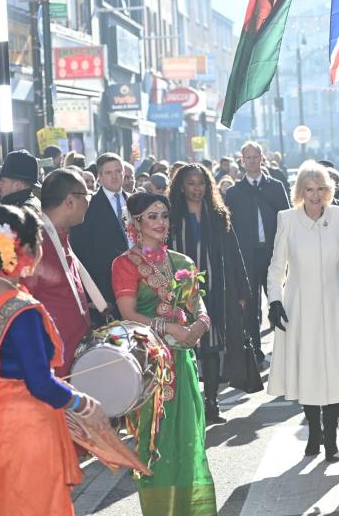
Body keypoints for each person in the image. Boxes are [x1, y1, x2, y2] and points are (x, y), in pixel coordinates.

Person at [0, 205, 109, 515]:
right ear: (26, 249)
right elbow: (40, 383)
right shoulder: (21, 308)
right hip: (24, 425)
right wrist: (84, 403)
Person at [112, 193, 217, 515]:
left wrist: (200, 322)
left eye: (164, 215)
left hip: (182, 362)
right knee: (154, 441)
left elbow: (196, 303)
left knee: (189, 436)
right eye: (152, 216)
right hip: (149, 367)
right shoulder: (125, 264)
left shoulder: (182, 262)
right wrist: (170, 329)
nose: (161, 223)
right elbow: (128, 313)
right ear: (136, 223)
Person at [266, 161, 339, 462]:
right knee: (308, 370)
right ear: (300, 191)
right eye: (309, 190)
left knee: (336, 369)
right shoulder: (287, 218)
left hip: (336, 301)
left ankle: (332, 437)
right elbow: (276, 267)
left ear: (329, 190)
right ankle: (314, 431)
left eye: (320, 189)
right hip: (300, 304)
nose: (315, 195)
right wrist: (275, 301)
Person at [168, 164, 260, 425]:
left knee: (210, 346)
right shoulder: (172, 217)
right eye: (191, 183)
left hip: (215, 290)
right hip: (179, 291)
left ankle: (211, 403)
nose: (197, 188)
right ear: (181, 186)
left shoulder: (218, 215)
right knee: (184, 347)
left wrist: (241, 290)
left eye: (201, 183)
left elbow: (233, 253)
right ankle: (185, 407)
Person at [20, 169, 94, 378]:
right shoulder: (37, 242)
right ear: (70, 201)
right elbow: (23, 304)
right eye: (86, 196)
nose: (89, 202)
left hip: (72, 360)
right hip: (49, 367)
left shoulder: (60, 236)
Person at [224, 141, 291, 364]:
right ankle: (255, 352)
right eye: (248, 158)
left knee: (278, 300)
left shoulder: (275, 186)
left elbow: (286, 218)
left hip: (274, 254)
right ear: (242, 161)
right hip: (246, 257)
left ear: (263, 158)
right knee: (250, 306)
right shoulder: (234, 192)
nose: (252, 161)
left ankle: (284, 350)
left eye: (256, 157)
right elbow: (228, 227)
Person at [71, 153, 130, 321]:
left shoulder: (135, 201)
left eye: (118, 171)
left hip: (137, 281)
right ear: (99, 177)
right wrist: (94, 295)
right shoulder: (88, 206)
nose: (114, 176)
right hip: (105, 286)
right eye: (108, 172)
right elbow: (81, 252)